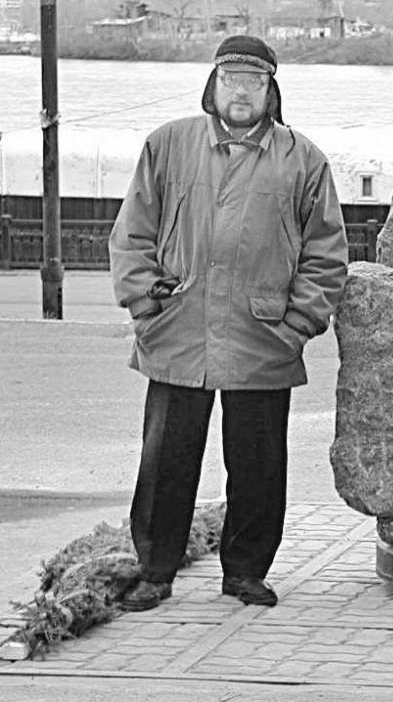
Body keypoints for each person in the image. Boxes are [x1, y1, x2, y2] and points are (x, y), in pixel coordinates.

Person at [109, 35, 348, 611]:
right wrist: (144, 305)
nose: (241, 93)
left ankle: (245, 572)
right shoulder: (168, 145)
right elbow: (133, 232)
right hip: (177, 329)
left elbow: (326, 253)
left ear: (272, 92)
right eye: (231, 80)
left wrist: (296, 327)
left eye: (254, 82)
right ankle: (155, 570)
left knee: (259, 464)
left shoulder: (304, 159)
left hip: (264, 335)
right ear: (212, 86)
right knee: (166, 460)